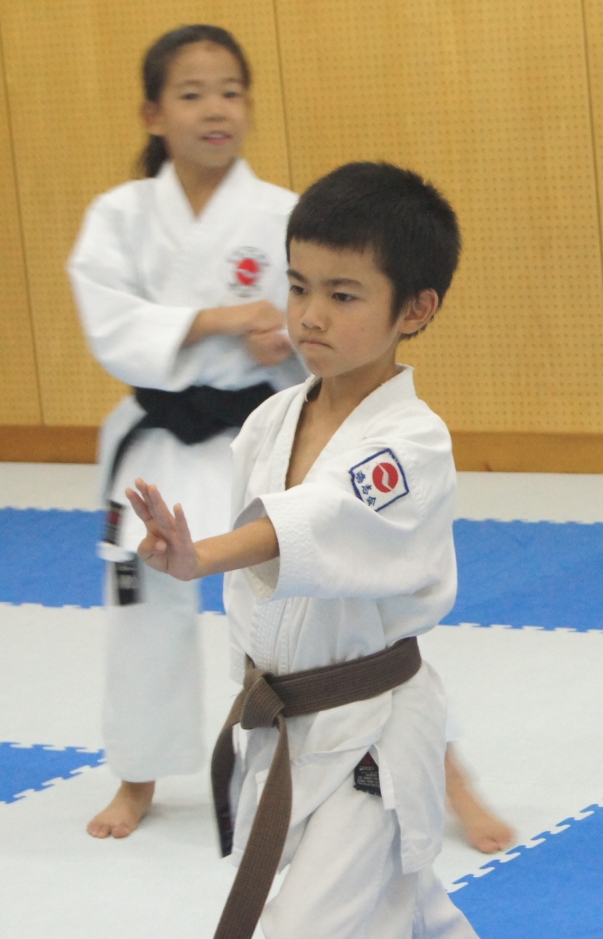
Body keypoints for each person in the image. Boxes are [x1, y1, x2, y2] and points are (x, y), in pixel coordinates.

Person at [124, 162, 478, 938]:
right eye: (298, 286)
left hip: (369, 733)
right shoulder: (271, 420)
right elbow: (261, 598)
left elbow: (323, 519)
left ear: (415, 310)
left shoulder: (411, 441)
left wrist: (199, 556)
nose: (310, 315)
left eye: (343, 295)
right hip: (287, 725)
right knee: (410, 911)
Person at [67, 24, 306, 840]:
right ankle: (137, 777)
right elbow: (109, 323)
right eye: (193, 93)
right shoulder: (120, 216)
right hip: (158, 441)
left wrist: (291, 338)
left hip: (258, 434)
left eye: (232, 91)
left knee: (296, 600)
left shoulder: (284, 213)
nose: (217, 109)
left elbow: (326, 312)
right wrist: (221, 318)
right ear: (153, 112)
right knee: (143, 610)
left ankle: (321, 758)